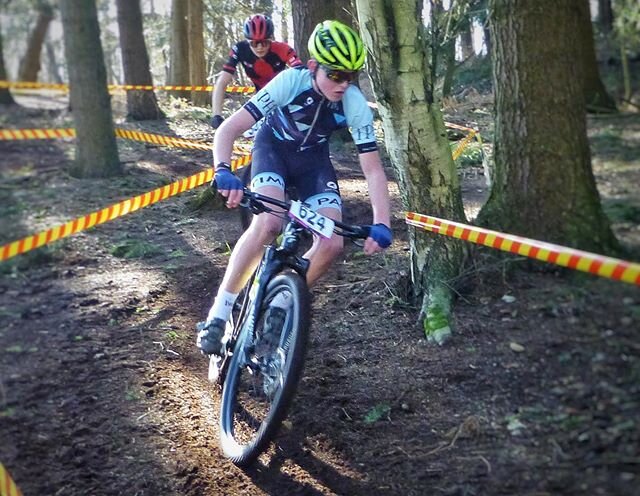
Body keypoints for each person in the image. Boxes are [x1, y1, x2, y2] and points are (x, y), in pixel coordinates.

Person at [197, 20, 393, 356]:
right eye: (335, 75)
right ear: (314, 67)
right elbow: (227, 130)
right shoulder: (291, 81)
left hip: (313, 164)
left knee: (333, 243)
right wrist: (223, 171)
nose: (344, 84)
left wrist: (383, 223)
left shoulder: (355, 104)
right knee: (269, 222)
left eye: (351, 76)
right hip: (272, 149)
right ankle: (219, 313)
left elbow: (373, 170)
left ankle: (282, 305)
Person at [210, 14, 302, 129]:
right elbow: (222, 81)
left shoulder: (283, 49)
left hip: (283, 97)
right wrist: (216, 114)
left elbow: (301, 75)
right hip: (261, 98)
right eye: (254, 43)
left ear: (271, 39)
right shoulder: (240, 50)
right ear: (248, 41)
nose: (259, 47)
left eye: (264, 42)